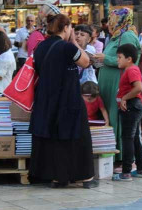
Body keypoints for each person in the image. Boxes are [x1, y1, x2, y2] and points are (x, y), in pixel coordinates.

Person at [30, 14, 98, 189]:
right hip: (68, 98)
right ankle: (85, 176)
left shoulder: (41, 47)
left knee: (54, 138)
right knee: (78, 136)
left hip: (46, 98)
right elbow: (85, 62)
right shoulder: (67, 48)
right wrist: (74, 42)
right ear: (66, 28)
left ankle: (58, 177)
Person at [94, 8, 141, 162]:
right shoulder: (116, 36)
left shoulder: (127, 35)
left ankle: (120, 157)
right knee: (109, 117)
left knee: (116, 118)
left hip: (117, 84)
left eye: (113, 18)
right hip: (108, 84)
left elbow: (128, 60)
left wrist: (105, 58)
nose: (110, 22)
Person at [115, 43, 142, 181]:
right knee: (134, 138)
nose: (118, 60)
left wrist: (124, 98)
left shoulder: (131, 70)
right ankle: (140, 169)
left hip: (131, 106)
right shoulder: (129, 70)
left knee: (127, 138)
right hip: (132, 106)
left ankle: (126, 172)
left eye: (120, 57)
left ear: (129, 59)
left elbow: (138, 88)